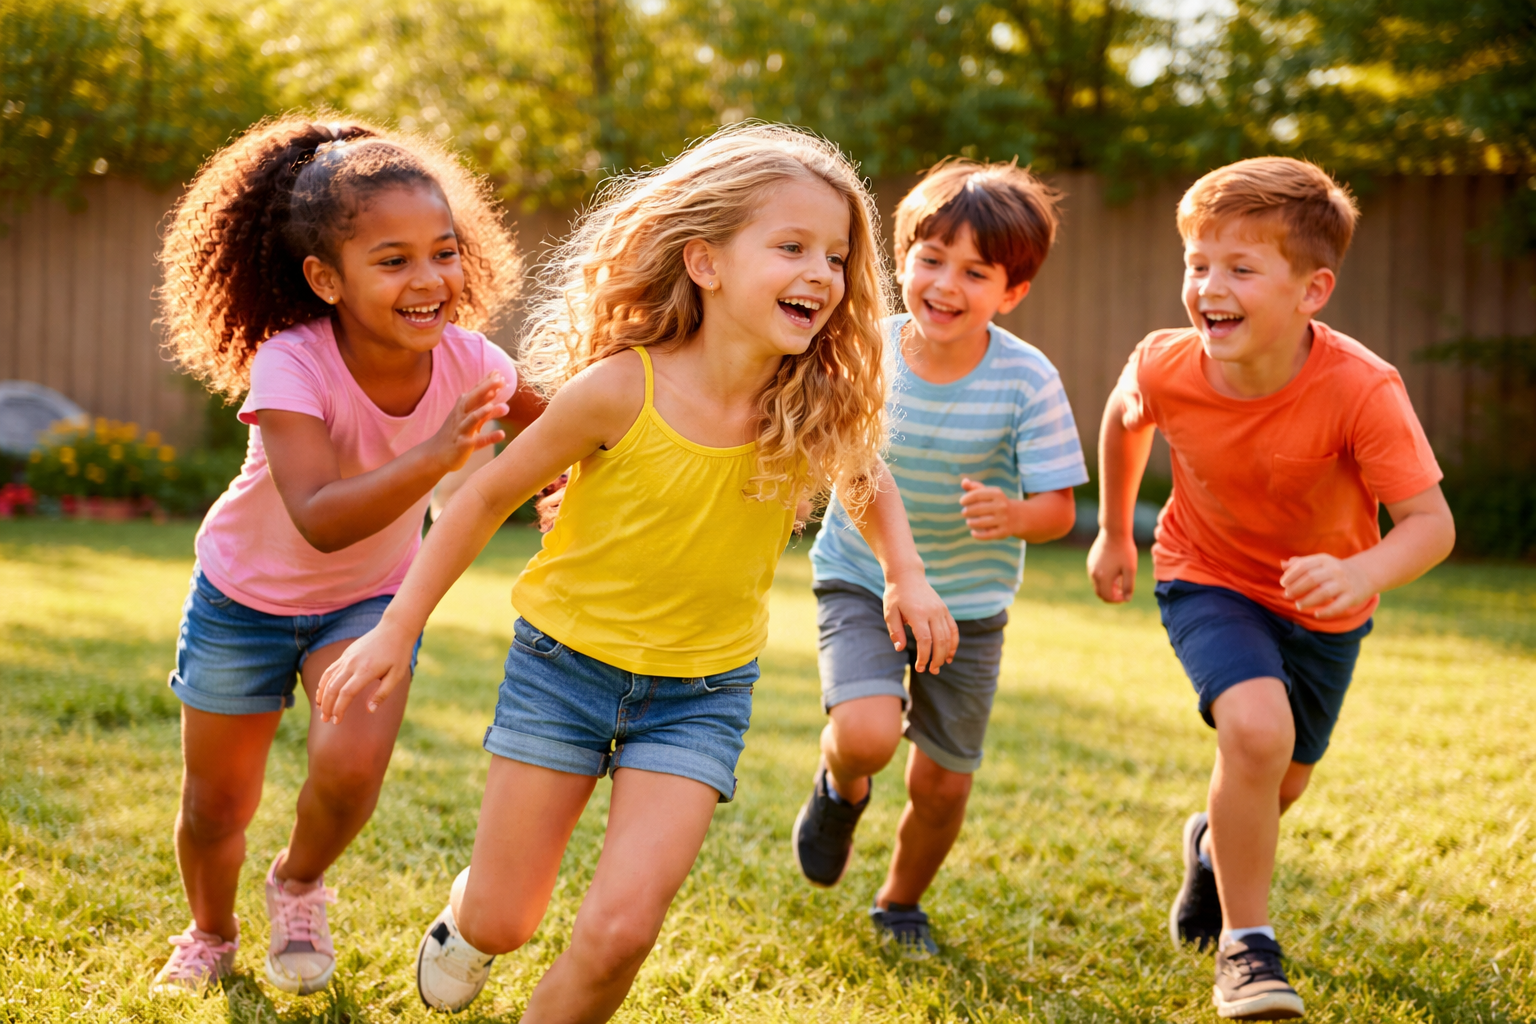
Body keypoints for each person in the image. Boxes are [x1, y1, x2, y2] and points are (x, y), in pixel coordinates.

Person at [315, 124, 959, 1021]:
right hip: (563, 673)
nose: (821, 273)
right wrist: (396, 627)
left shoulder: (809, 403)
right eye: (791, 247)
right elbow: (485, 496)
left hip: (700, 694)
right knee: (505, 918)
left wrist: (906, 574)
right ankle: (469, 920)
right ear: (705, 261)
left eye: (837, 256)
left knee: (621, 933)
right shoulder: (622, 389)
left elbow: (865, 476)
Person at [150, 116, 541, 996]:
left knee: (352, 769)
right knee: (216, 806)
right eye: (393, 260)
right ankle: (210, 933)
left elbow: (570, 428)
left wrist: (577, 472)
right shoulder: (290, 364)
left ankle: (297, 883)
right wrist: (436, 456)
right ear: (326, 279)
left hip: (368, 603)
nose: (429, 279)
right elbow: (320, 517)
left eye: (444, 253)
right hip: (243, 600)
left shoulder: (473, 360)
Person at [1088, 157, 1455, 1020]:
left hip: (1326, 607)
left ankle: (1210, 847)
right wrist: (1113, 528)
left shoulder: (1361, 389)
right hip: (1206, 574)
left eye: (1240, 269)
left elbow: (1431, 524)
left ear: (1311, 291)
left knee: (1279, 782)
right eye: (1197, 263)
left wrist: (1360, 571)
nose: (1209, 287)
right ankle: (1248, 950)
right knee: (1255, 733)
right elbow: (1124, 415)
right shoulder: (1167, 364)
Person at [792, 160, 1087, 956]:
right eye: (931, 259)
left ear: (1012, 292)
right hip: (862, 576)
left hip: (970, 606)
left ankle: (900, 902)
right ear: (901, 260)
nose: (946, 285)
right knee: (867, 735)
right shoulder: (865, 352)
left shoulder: (1028, 381)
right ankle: (841, 786)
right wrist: (899, 574)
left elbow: (1060, 511)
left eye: (976, 272)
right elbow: (850, 468)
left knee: (944, 782)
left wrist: (1016, 513)